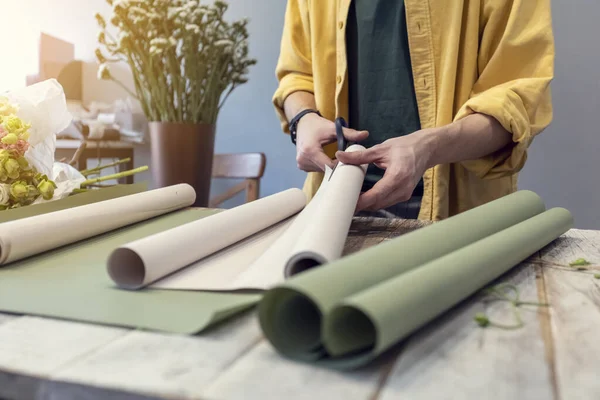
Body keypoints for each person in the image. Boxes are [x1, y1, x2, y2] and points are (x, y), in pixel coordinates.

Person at [272, 0, 555, 220]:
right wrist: (303, 117)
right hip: (334, 203)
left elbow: (517, 98)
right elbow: (296, 75)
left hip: (456, 216)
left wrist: (430, 147)